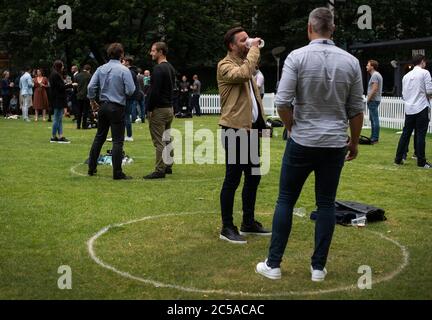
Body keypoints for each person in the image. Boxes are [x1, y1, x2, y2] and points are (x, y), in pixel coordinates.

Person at [255, 7, 364, 281]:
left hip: (303, 139)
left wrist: (292, 127)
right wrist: (353, 143)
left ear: (309, 28)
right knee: (326, 203)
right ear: (333, 29)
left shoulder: (297, 57)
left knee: (286, 200)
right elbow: (356, 109)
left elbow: (281, 102)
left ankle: (274, 263)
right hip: (333, 142)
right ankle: (318, 267)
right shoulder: (350, 61)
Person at [217, 27, 270, 244]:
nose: (247, 42)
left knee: (254, 176)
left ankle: (248, 222)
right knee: (233, 178)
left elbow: (254, 96)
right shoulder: (225, 65)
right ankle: (227, 227)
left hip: (249, 129)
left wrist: (262, 125)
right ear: (231, 45)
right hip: (234, 129)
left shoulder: (245, 63)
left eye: (248, 39)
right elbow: (245, 74)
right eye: (243, 40)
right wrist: (254, 49)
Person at [87, 43, 135, 180]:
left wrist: (92, 101)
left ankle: (91, 167)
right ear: (121, 55)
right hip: (117, 106)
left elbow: (91, 87)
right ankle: (117, 172)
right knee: (117, 141)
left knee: (99, 137)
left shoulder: (101, 69)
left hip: (103, 106)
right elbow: (131, 90)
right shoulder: (124, 70)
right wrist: (122, 92)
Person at [144, 41, 176, 179]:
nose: (151, 53)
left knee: (159, 141)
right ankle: (168, 165)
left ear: (160, 52)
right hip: (169, 108)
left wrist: (149, 108)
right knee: (167, 138)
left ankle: (159, 170)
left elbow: (154, 91)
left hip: (159, 109)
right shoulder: (170, 68)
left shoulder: (158, 69)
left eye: (153, 50)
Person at [394, 54, 432, 169]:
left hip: (409, 108)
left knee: (405, 134)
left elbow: (404, 95)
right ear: (422, 62)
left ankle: (398, 158)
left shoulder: (406, 76)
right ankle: (421, 161)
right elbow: (429, 91)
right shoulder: (425, 73)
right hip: (421, 107)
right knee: (421, 135)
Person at [49, 60, 73, 143]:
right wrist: (71, 85)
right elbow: (61, 87)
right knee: (57, 118)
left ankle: (60, 136)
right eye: (62, 66)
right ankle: (53, 136)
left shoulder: (54, 74)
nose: (63, 67)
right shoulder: (55, 75)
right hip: (58, 99)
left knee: (59, 119)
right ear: (59, 66)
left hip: (57, 99)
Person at [122, 56, 140, 142]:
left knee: (126, 116)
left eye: (123, 61)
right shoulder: (132, 71)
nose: (121, 63)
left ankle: (129, 135)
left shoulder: (130, 72)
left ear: (127, 62)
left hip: (128, 97)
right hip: (130, 96)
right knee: (125, 116)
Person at [366, 60, 383, 144]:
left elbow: (374, 88)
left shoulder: (375, 75)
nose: (366, 66)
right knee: (373, 119)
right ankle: (373, 136)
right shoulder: (376, 75)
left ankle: (375, 138)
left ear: (372, 67)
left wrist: (368, 99)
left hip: (373, 100)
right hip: (375, 99)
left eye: (368, 65)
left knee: (375, 119)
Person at [74, 64, 92, 129]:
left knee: (79, 111)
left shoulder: (77, 76)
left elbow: (75, 86)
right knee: (85, 111)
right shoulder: (90, 76)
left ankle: (78, 125)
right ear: (89, 70)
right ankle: (84, 125)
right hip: (86, 95)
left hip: (79, 95)